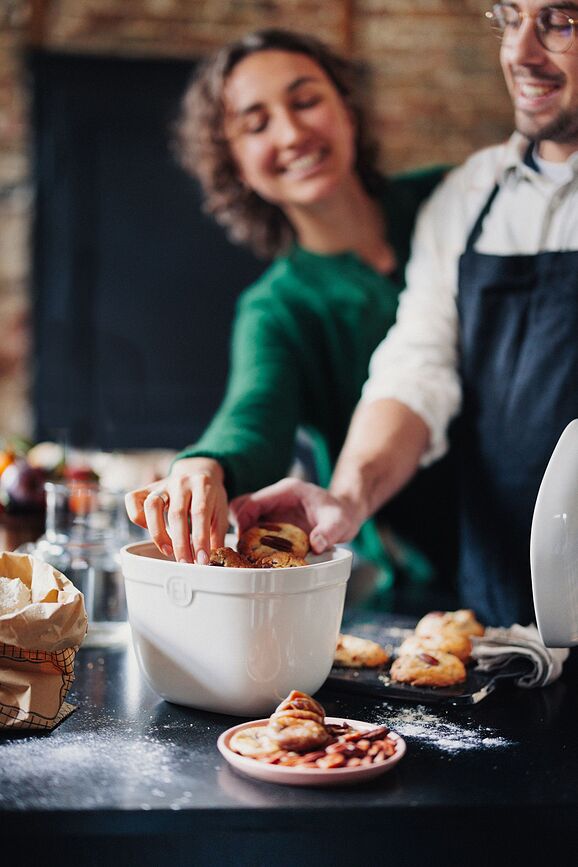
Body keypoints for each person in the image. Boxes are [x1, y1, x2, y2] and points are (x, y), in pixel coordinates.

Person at [231, 2, 578, 628]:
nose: (520, 53)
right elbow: (416, 370)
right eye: (511, 17)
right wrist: (345, 496)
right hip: (504, 618)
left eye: (561, 21)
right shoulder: (468, 198)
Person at [125, 28, 456, 589]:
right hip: (423, 582)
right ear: (234, 165)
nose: (293, 132)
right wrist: (206, 464)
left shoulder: (452, 199)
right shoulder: (276, 309)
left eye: (306, 101)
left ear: (347, 111)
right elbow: (255, 414)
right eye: (256, 125)